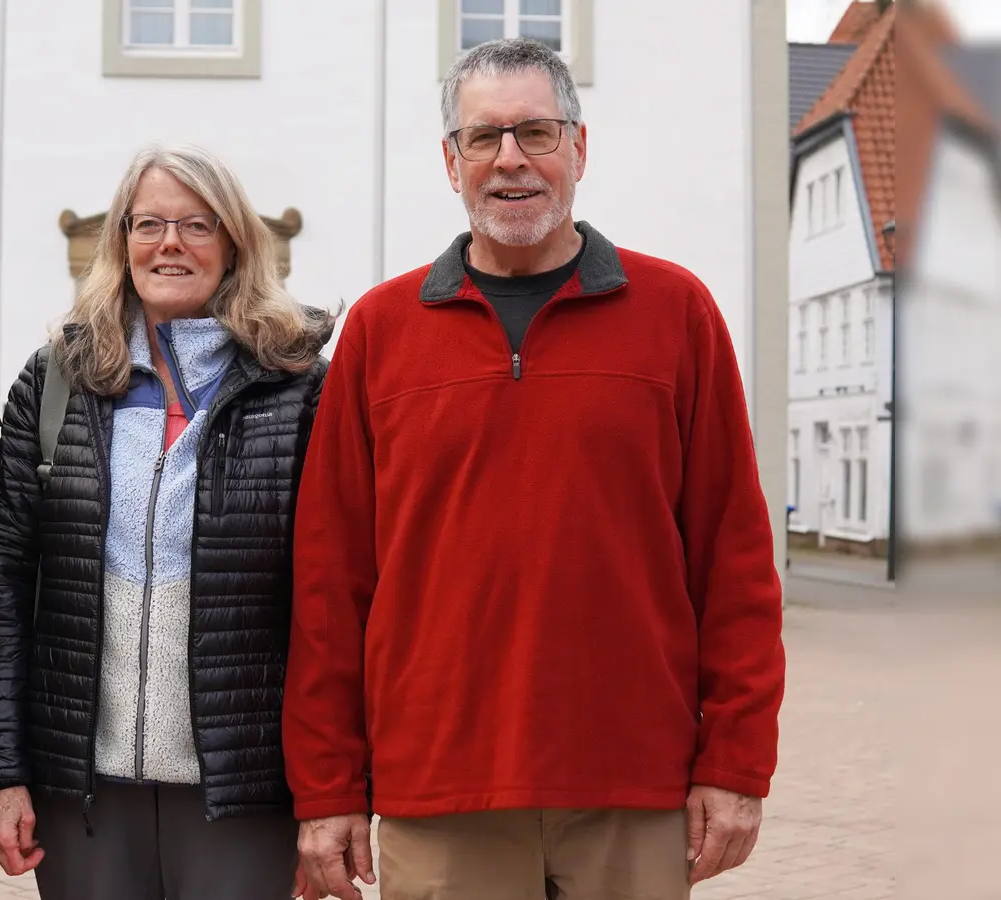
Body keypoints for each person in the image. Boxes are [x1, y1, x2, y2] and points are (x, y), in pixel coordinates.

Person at [285, 38, 786, 900]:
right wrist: (327, 788)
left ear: (579, 150)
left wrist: (737, 763)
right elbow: (332, 584)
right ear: (451, 161)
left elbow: (733, 560)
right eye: (483, 138)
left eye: (536, 133)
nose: (510, 160)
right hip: (441, 787)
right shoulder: (380, 331)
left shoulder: (677, 315)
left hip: (633, 781)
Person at [0, 143, 334, 899]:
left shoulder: (299, 391)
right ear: (121, 242)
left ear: (234, 244)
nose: (170, 244)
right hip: (83, 792)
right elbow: (6, 586)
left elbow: (331, 602)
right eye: (149, 225)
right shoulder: (60, 378)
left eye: (197, 225)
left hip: (244, 789)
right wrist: (3, 772)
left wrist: (328, 796)